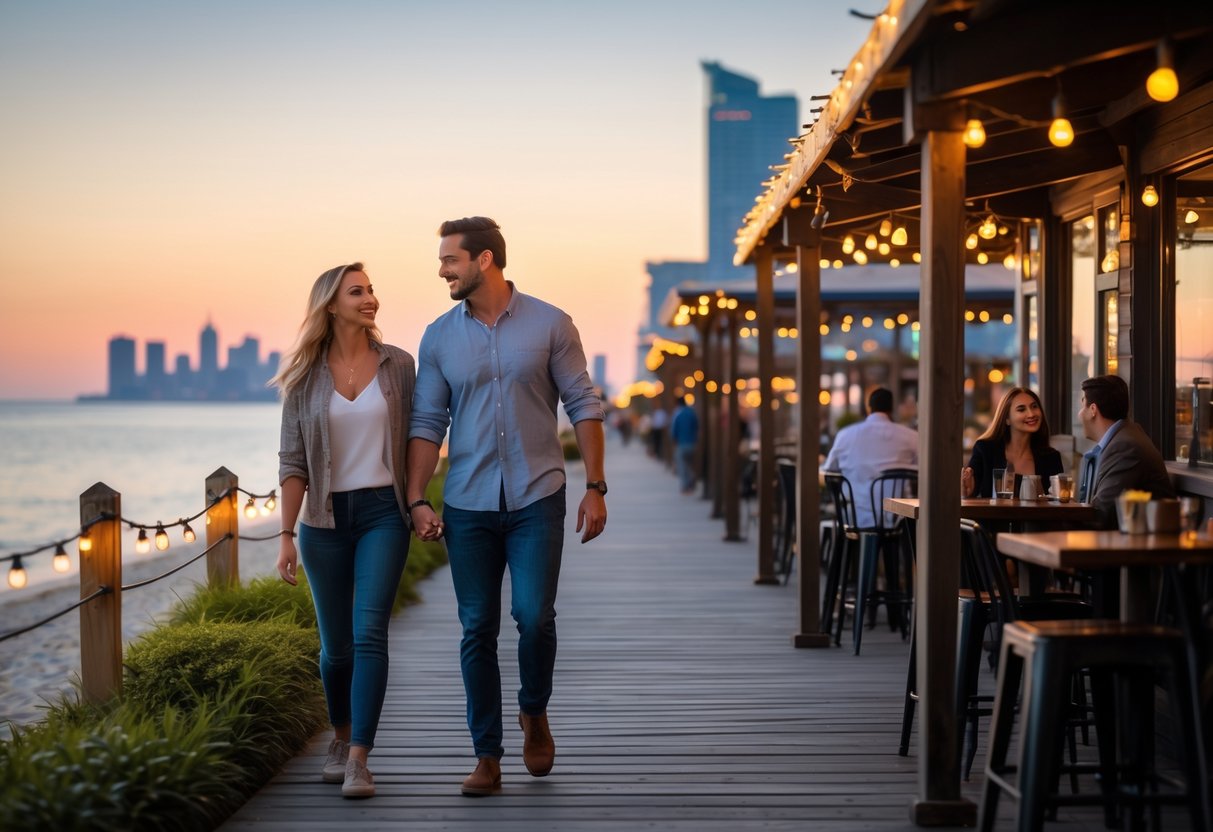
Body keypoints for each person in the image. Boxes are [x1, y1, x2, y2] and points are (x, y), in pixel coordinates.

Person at [406, 216, 607, 797]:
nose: (442, 269)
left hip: (537, 495)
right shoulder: (439, 336)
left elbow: (583, 404)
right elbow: (427, 421)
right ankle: (487, 755)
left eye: (451, 259)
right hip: (467, 502)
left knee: (534, 617)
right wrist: (418, 497)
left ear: (485, 259)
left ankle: (534, 710)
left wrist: (596, 486)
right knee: (477, 628)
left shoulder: (550, 323)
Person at [272, 262, 415, 800]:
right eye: (358, 291)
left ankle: (360, 758)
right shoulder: (304, 380)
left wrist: (418, 500)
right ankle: (339, 735)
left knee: (370, 632)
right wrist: (285, 533)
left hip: (384, 513)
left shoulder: (399, 365)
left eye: (372, 289)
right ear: (331, 304)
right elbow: (292, 463)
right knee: (335, 647)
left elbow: (420, 435)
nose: (370, 298)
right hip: (323, 522)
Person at [1077, 374, 1175, 529]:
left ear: (1093, 410)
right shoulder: (1122, 439)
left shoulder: (1125, 447)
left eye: (1082, 405)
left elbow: (1102, 514)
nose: (1079, 414)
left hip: (1140, 548)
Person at [822, 387, 918, 528]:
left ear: (869, 408)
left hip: (854, 518)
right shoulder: (911, 437)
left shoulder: (846, 435)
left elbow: (829, 470)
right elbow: (922, 469)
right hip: (898, 520)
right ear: (891, 409)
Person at [961, 387, 1064, 499]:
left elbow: (1058, 502)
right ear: (1007, 419)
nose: (1031, 414)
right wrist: (967, 492)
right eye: (1021, 409)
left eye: (1034, 406)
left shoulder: (1051, 457)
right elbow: (970, 491)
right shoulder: (985, 450)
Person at [670, 395, 700, 494]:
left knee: (682, 465)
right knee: (690, 464)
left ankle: (686, 486)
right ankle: (691, 479)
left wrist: (674, 441)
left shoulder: (677, 414)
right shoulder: (692, 413)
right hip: (692, 443)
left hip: (682, 443)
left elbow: (674, 431)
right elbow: (697, 427)